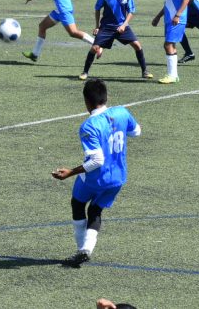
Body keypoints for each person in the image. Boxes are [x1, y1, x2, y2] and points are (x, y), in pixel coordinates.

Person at [51, 79, 140, 268]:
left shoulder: (89, 125)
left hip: (95, 178)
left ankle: (81, 250)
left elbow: (97, 160)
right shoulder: (122, 112)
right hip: (117, 177)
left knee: (78, 204)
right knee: (95, 210)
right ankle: (86, 250)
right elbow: (137, 132)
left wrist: (70, 172)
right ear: (107, 97)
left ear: (87, 101)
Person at [79, 0, 151, 81]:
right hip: (106, 27)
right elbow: (97, 9)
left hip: (122, 27)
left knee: (137, 45)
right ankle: (85, 72)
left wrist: (124, 25)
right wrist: (97, 26)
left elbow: (131, 12)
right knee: (94, 48)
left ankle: (144, 71)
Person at [157, 0, 189, 84]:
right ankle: (174, 75)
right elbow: (168, 2)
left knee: (168, 44)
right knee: (171, 45)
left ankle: (172, 75)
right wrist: (158, 16)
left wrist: (178, 15)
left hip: (176, 19)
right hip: (169, 18)